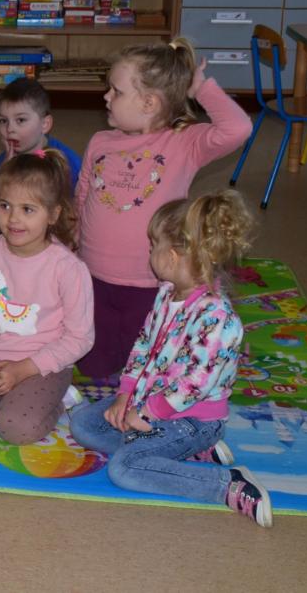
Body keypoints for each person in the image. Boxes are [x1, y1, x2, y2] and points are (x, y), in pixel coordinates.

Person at [68, 191, 271, 527]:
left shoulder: (218, 318)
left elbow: (193, 385)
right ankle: (181, 452)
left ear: (173, 256)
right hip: (149, 403)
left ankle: (227, 484)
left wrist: (146, 412)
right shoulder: (166, 294)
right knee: (83, 424)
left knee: (124, 468)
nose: (149, 253)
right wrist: (125, 396)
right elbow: (144, 345)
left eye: (153, 246)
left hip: (193, 420)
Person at [77, 39, 252, 380]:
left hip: (153, 282)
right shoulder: (100, 141)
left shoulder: (184, 143)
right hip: (95, 277)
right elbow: (83, 193)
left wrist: (201, 90)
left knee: (148, 367)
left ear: (149, 103)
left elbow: (238, 128)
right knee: (93, 367)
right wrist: (73, 241)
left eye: (116, 91)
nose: (106, 97)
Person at [0, 151, 93, 445]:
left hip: (43, 366)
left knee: (15, 427)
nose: (14, 218)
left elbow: (79, 338)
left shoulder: (68, 269)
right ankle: (6, 392)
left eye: (28, 209)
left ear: (53, 214)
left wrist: (23, 369)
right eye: (5, 206)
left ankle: (60, 400)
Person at [0, 78, 81, 191]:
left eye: (20, 120)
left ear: (45, 124)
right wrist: (5, 171)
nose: (9, 129)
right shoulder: (6, 158)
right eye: (3, 121)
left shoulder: (67, 164)